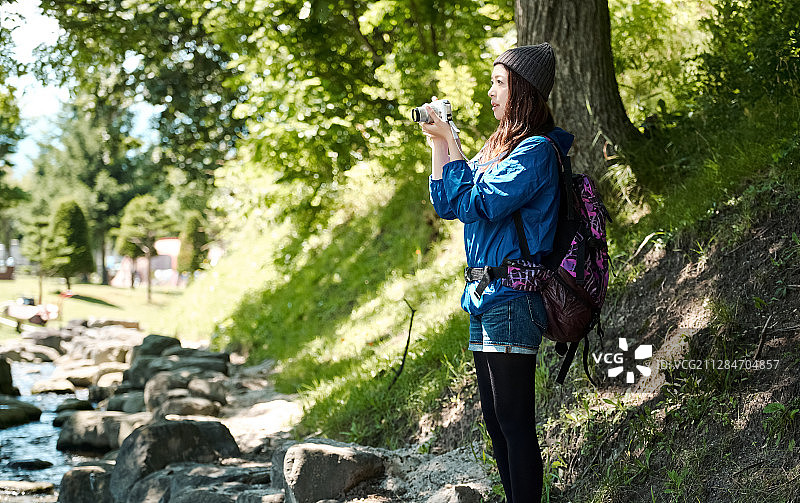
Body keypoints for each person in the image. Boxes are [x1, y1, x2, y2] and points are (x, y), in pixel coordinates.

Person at [421, 43, 573, 502]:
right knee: (494, 421)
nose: (491, 93)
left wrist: (456, 144)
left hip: (513, 297)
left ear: (523, 91)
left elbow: (481, 201)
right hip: (482, 296)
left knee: (513, 421)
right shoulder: (497, 148)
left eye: (499, 83)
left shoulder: (537, 153)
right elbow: (449, 203)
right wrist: (439, 144)